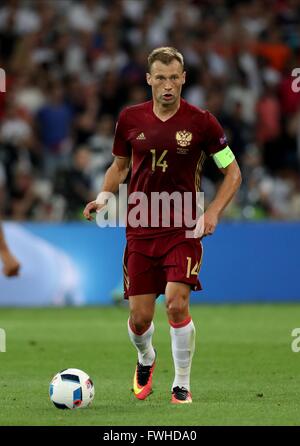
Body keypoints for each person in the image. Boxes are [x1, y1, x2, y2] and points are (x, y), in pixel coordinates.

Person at [83, 47, 242, 404]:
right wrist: (105, 197)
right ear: (149, 79)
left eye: (174, 77)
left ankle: (181, 384)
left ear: (183, 78)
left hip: (184, 228)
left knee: (176, 302)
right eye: (161, 77)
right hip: (140, 227)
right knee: (140, 320)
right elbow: (119, 167)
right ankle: (146, 358)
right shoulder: (130, 119)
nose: (168, 85)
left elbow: (232, 172)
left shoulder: (203, 122)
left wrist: (214, 211)